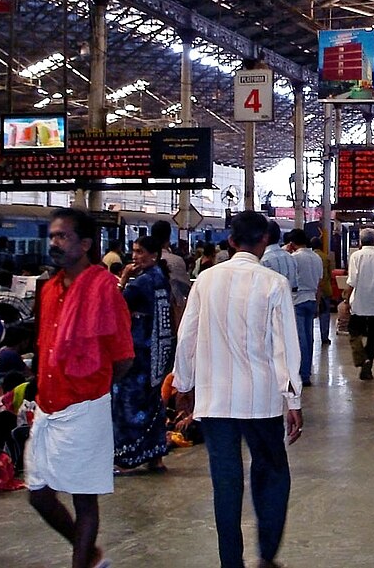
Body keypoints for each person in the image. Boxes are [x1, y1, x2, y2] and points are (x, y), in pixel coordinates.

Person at [173, 210, 303, 568]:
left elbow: (187, 336)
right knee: (273, 471)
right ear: (265, 241)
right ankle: (267, 554)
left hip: (214, 402)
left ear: (231, 241)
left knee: (226, 482)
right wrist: (293, 399)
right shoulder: (273, 283)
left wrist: (183, 384)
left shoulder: (206, 280)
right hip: (260, 401)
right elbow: (285, 347)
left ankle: (231, 562)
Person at [26, 208, 134, 568]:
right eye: (52, 235)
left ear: (85, 244)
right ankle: (88, 553)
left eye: (63, 237)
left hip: (85, 406)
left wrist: (94, 388)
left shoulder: (104, 289)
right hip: (48, 404)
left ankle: (81, 562)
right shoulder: (50, 288)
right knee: (38, 494)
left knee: (84, 499)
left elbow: (123, 357)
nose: (54, 243)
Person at [111, 235, 174, 473]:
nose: (135, 256)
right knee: (153, 401)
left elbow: (116, 306)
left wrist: (123, 279)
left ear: (154, 255)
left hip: (137, 350)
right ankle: (155, 455)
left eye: (139, 252)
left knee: (128, 401)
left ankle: (127, 457)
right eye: (134, 251)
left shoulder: (141, 282)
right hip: (157, 349)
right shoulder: (160, 278)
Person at [345, 229, 374, 381]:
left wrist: (346, 301)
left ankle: (361, 357)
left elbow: (352, 281)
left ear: (360, 241)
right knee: (373, 337)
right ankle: (367, 368)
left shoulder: (356, 256)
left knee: (354, 331)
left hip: (359, 302)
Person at [285, 228, 323, 387]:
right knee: (309, 337)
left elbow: (289, 280)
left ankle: (302, 374)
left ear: (292, 244)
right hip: (312, 298)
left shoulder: (293, 258)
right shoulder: (317, 257)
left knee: (300, 340)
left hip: (298, 300)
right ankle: (307, 373)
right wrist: (318, 304)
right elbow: (320, 283)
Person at [152, 220, 190, 308]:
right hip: (172, 307)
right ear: (168, 238)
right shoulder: (176, 260)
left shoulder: (146, 260)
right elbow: (185, 289)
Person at [311, 237, 333, 346]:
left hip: (312, 289)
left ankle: (310, 337)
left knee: (310, 315)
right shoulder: (326, 257)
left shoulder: (310, 257)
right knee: (325, 314)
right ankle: (324, 337)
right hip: (325, 289)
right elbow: (330, 274)